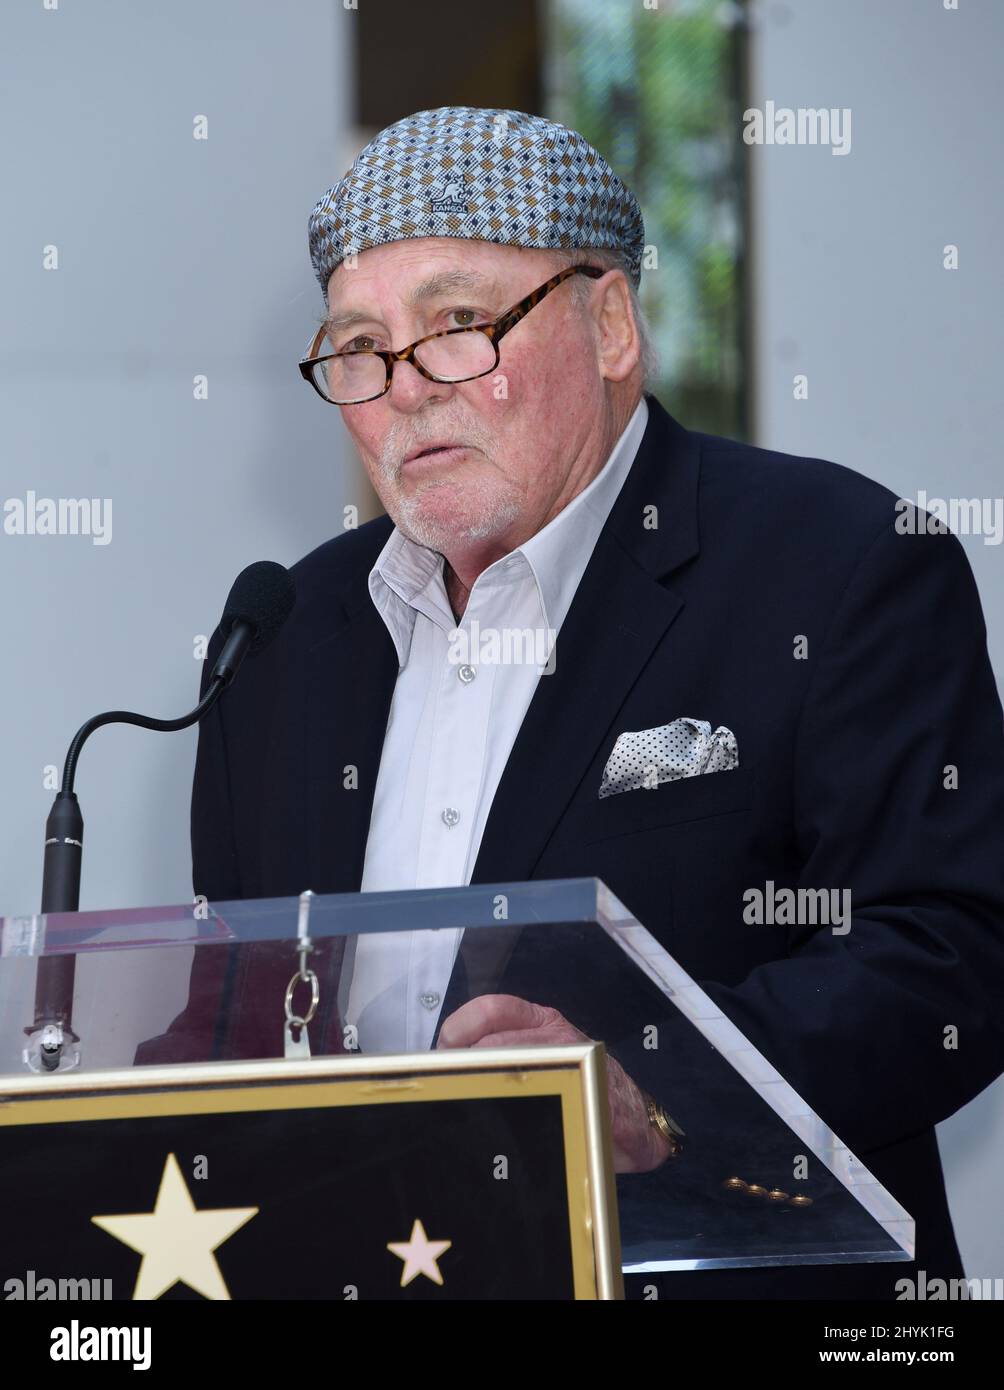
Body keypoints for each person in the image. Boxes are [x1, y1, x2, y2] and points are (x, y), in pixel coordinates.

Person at [143, 106, 1004, 1299]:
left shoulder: (835, 563)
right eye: (357, 347)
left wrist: (653, 1081)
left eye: (455, 326)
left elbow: (949, 950)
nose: (404, 391)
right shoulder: (284, 636)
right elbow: (233, 1015)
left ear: (606, 326)